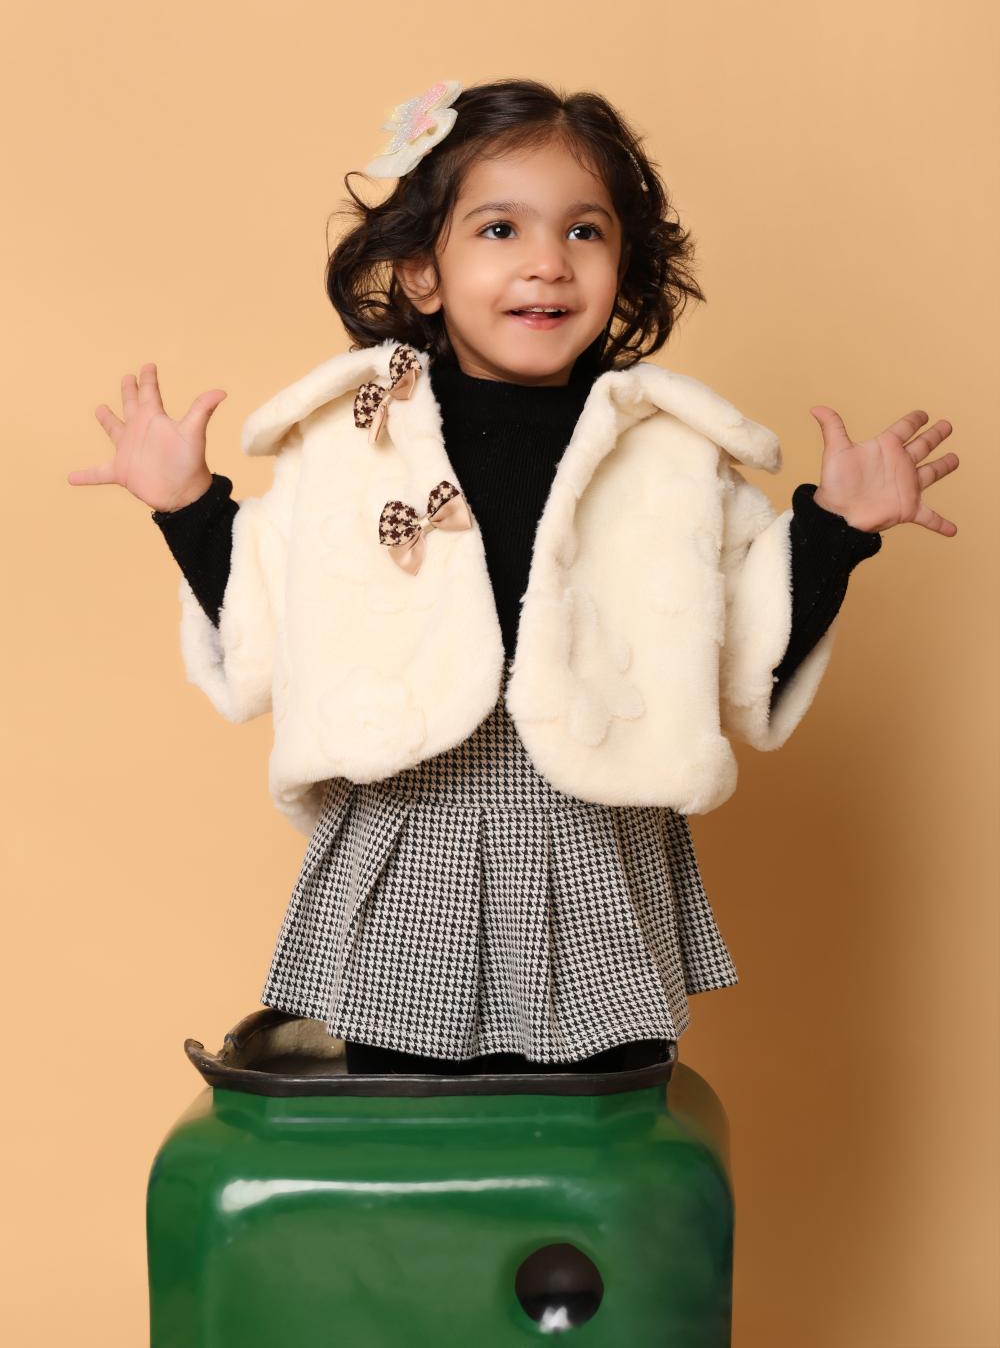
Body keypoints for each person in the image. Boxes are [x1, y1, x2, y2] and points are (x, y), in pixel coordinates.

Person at [68, 78, 958, 1078]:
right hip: (411, 834)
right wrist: (187, 504)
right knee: (409, 1116)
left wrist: (836, 527)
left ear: (624, 266)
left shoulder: (667, 451)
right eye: (500, 229)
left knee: (593, 1116)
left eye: (585, 231)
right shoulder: (356, 438)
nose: (547, 262)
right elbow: (270, 616)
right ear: (421, 272)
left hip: (594, 838)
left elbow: (748, 642)